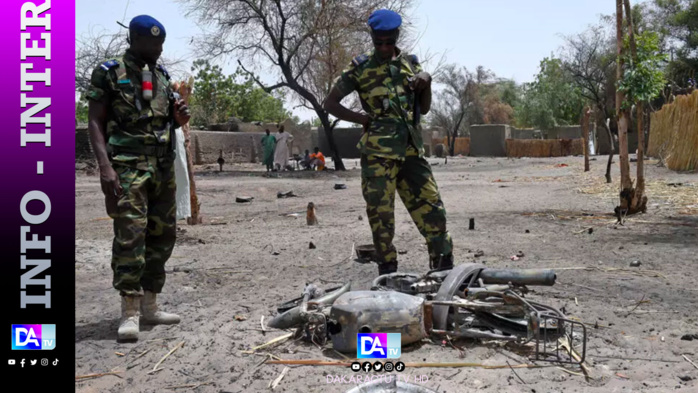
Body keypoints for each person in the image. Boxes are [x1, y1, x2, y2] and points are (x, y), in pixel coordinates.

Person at [323, 9, 454, 275]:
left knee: (432, 208)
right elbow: (330, 103)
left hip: (411, 151)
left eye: (388, 41)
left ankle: (442, 268)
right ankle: (388, 272)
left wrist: (426, 80)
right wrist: (362, 119)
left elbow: (424, 109)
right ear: (372, 37)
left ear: (396, 36)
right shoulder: (360, 67)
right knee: (381, 218)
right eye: (378, 42)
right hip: (378, 155)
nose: (383, 47)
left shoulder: (410, 64)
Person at [86, 15, 190, 341]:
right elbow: (94, 121)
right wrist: (105, 168)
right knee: (130, 237)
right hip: (128, 168)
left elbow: (163, 125)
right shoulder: (109, 72)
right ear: (135, 40)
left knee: (163, 236)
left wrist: (178, 119)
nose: (159, 49)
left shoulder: (161, 75)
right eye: (153, 43)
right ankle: (129, 312)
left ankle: (150, 305)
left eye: (161, 44)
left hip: (161, 167)